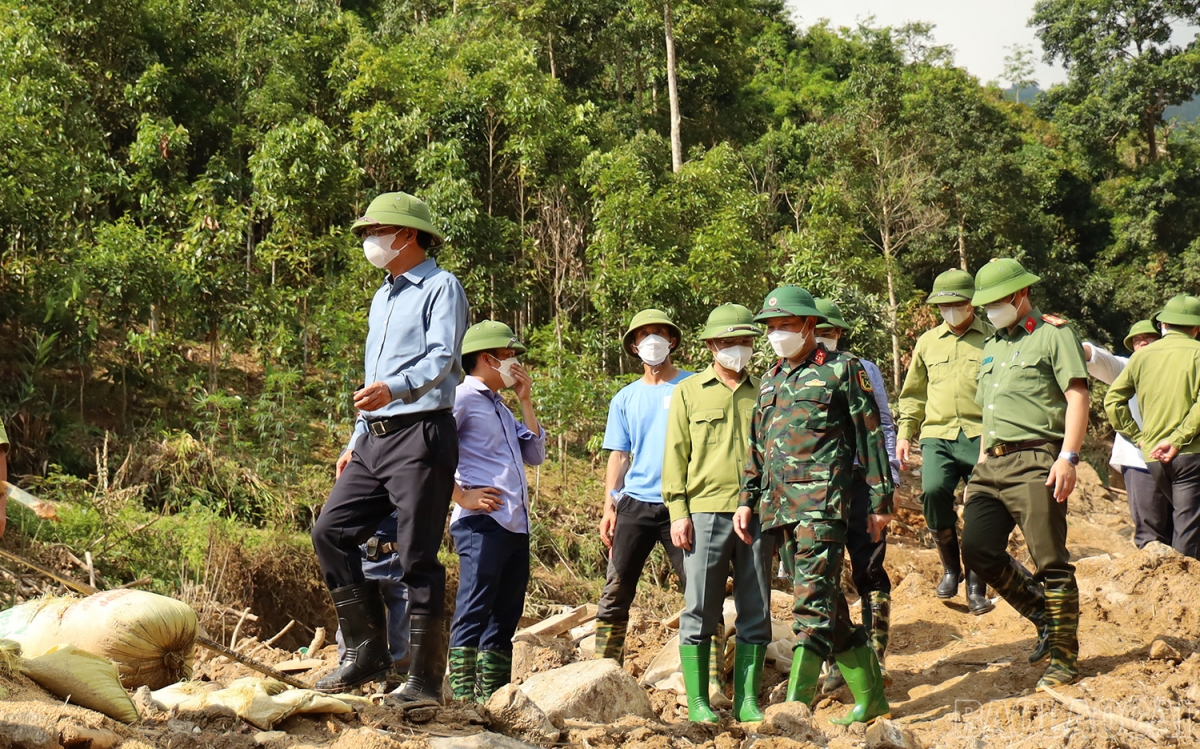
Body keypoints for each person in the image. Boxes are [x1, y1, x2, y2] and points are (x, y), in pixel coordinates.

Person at [311, 192, 469, 706]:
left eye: (375, 231)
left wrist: (396, 389)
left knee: (417, 554)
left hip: (421, 433)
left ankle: (423, 681)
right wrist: (357, 436)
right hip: (374, 439)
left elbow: (444, 357)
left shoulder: (442, 287)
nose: (369, 241)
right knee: (331, 531)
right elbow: (371, 381)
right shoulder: (383, 296)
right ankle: (366, 649)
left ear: (406, 234)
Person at [735, 286, 894, 726]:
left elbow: (870, 434)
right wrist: (748, 500)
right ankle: (873, 697)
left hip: (824, 506)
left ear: (809, 325)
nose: (776, 334)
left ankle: (792, 711)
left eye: (785, 325)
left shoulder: (843, 370)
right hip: (778, 509)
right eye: (770, 327)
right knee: (826, 605)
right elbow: (756, 448)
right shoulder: (770, 380)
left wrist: (880, 500)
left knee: (808, 607)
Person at [960, 258, 1089, 692]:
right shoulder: (994, 345)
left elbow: (1077, 395)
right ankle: (1042, 614)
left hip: (1036, 459)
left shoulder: (1054, 334)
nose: (990, 310)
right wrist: (979, 462)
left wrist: (1068, 457)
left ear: (1020, 296)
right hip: (990, 463)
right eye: (986, 304)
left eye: (996, 302)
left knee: (1051, 561)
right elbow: (990, 411)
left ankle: (1065, 659)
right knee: (977, 549)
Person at [662, 304, 771, 723]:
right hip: (704, 511)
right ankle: (699, 701)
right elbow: (675, 455)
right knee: (700, 606)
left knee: (756, 603)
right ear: (710, 345)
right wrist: (678, 511)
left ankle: (746, 699)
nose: (737, 350)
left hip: (756, 511)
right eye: (728, 342)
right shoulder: (688, 391)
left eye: (744, 342)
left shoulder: (764, 391)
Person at [447, 321, 545, 703]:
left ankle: (493, 698)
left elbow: (535, 454)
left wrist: (525, 400)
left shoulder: (501, 409)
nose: (515, 364)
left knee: (505, 612)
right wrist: (461, 496)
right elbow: (430, 451)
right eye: (509, 357)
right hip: (481, 523)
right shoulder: (461, 399)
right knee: (474, 604)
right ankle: (460, 701)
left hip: (515, 525)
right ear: (487, 359)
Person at [811, 298, 901, 692]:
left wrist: (889, 479)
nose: (823, 339)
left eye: (829, 332)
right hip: (817, 491)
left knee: (868, 567)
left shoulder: (863, 369)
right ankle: (840, 658)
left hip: (862, 484)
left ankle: (876, 651)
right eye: (818, 331)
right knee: (823, 577)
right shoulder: (792, 374)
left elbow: (882, 421)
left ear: (840, 334)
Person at [595, 309, 692, 664]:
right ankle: (605, 670)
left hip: (682, 506)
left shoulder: (693, 386)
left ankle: (707, 677)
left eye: (659, 333)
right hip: (634, 504)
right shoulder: (625, 398)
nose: (652, 340)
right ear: (634, 347)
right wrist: (609, 505)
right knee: (615, 590)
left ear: (673, 341)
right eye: (644, 335)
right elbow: (619, 455)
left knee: (697, 592)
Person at [896, 269, 994, 614]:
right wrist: (905, 432)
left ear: (972, 303)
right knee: (935, 493)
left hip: (982, 435)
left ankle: (976, 585)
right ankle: (952, 568)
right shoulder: (927, 342)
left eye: (958, 303)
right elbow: (913, 394)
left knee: (982, 510)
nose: (951, 310)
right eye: (943, 305)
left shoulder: (994, 339)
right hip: (938, 435)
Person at [1105, 295, 1200, 560]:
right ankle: (1185, 594)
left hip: (1153, 457)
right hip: (1191, 454)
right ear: (1196, 328)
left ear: (1164, 325)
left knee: (1170, 527)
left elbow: (1112, 401)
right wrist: (1180, 438)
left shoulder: (1141, 358)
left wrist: (1138, 437)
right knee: (1188, 527)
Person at [1082, 321, 1165, 548]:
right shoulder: (1126, 369)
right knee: (1149, 528)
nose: (1143, 343)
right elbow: (1099, 359)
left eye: (1149, 338)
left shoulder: (1181, 368)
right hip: (1139, 460)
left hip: (1181, 458)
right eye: (1137, 341)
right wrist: (1079, 349)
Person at [334, 510, 411, 685]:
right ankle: (350, 673)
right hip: (366, 553)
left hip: (408, 553)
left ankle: (398, 677)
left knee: (406, 618)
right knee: (355, 615)